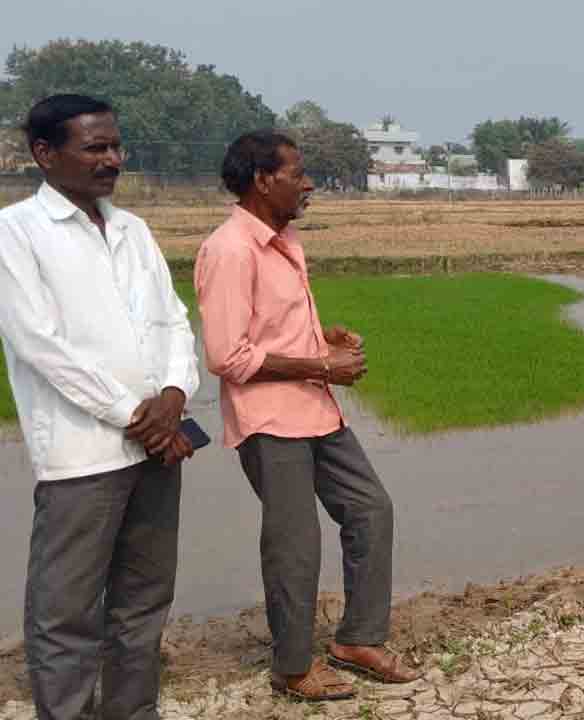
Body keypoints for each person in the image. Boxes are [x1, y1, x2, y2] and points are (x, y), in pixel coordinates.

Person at [194, 130, 417, 701]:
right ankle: (292, 668)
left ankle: (358, 639)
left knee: (371, 509)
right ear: (263, 180)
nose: (309, 183)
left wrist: (324, 338)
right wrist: (321, 361)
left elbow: (274, 331)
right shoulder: (230, 249)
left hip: (316, 409)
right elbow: (228, 355)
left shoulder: (285, 238)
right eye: (298, 172)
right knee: (295, 543)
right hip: (270, 422)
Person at [0, 95, 200, 719]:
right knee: (66, 615)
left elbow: (173, 320)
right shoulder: (15, 233)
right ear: (44, 154)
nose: (112, 159)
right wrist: (136, 416)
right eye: (95, 147)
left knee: (142, 602)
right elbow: (40, 346)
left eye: (115, 146)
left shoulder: (133, 229)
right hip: (81, 458)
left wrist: (173, 396)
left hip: (156, 447)